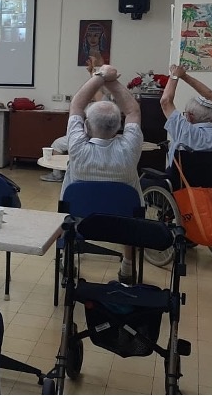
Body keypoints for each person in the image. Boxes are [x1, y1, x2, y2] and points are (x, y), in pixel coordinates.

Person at [63, 64, 142, 284]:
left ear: (86, 126)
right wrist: (112, 80)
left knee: (67, 208)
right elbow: (133, 111)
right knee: (130, 212)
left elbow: (76, 105)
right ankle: (127, 267)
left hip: (82, 222)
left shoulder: (77, 149)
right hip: (123, 225)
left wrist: (101, 75)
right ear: (119, 126)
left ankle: (67, 260)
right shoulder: (130, 149)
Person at [41, 59, 106, 182]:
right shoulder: (94, 104)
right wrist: (92, 72)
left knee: (57, 144)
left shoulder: (101, 104)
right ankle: (59, 174)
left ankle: (57, 175)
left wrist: (94, 73)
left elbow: (96, 91)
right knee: (58, 144)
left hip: (87, 137)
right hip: (87, 135)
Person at [159, 64, 212, 169]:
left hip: (179, 179)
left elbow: (165, 101)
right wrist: (184, 76)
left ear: (190, 117)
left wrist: (175, 75)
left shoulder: (185, 132)